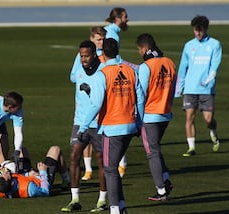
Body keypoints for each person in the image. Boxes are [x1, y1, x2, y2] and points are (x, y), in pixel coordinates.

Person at [80, 38, 144, 214]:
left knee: (109, 169)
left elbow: (96, 104)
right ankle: (121, 206)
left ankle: (115, 208)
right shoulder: (131, 71)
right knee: (113, 168)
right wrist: (139, 123)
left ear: (102, 54)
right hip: (130, 127)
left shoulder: (103, 74)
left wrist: (83, 127)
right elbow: (140, 98)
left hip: (112, 128)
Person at [61, 40, 107, 212]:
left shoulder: (103, 71)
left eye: (86, 56)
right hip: (80, 122)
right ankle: (74, 200)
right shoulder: (79, 70)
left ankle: (102, 201)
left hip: (99, 123)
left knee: (102, 160)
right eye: (81, 56)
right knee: (74, 156)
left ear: (94, 54)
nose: (83, 59)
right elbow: (77, 89)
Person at [175, 15, 222, 156]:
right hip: (190, 88)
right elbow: (183, 68)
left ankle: (213, 132)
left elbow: (215, 66)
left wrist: (208, 81)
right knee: (189, 116)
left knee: (208, 120)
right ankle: (191, 148)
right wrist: (179, 88)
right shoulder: (189, 46)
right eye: (196, 30)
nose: (198, 33)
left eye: (200, 30)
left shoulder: (215, 44)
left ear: (206, 29)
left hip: (206, 89)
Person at [136, 33, 175, 201]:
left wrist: (138, 117)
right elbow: (173, 89)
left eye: (139, 49)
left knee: (152, 152)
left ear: (145, 48)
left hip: (150, 115)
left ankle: (161, 190)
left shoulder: (146, 67)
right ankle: (165, 180)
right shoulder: (169, 62)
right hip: (165, 114)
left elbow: (141, 94)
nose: (139, 52)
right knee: (156, 148)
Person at [104, 7, 138, 177]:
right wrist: (135, 68)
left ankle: (118, 163)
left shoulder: (112, 31)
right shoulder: (112, 33)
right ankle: (118, 164)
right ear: (117, 17)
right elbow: (112, 58)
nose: (127, 19)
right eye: (125, 16)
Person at [0, 146, 70, 198]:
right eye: (8, 174)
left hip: (26, 177)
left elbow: (12, 177)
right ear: (12, 183)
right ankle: (66, 180)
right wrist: (42, 172)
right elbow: (45, 192)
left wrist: (27, 174)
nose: (6, 172)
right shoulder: (29, 189)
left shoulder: (0, 190)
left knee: (21, 150)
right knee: (55, 149)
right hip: (41, 180)